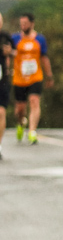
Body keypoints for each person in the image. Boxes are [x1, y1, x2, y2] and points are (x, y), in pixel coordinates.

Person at [11, 13, 54, 145]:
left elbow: (44, 57)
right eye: (21, 23)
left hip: (35, 77)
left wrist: (49, 76)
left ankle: (32, 131)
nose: (23, 26)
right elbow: (8, 55)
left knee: (34, 101)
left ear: (32, 23)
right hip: (19, 78)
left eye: (25, 23)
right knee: (20, 109)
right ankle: (21, 123)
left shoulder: (40, 39)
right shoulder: (15, 39)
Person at [0, 12, 12, 160]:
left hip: (2, 80)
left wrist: (10, 53)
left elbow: (13, 53)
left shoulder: (5, 37)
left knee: (1, 113)